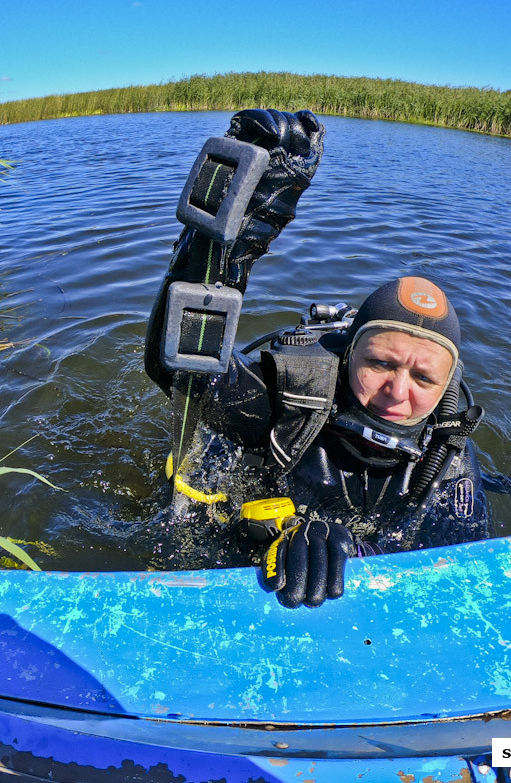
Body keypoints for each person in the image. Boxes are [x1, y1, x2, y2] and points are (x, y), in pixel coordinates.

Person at [145, 109, 491, 608]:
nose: (398, 392)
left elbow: (462, 566)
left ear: (448, 383)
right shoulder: (294, 399)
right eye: (381, 364)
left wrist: (360, 551)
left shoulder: (448, 451)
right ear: (348, 354)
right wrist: (228, 237)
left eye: (423, 377)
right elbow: (179, 368)